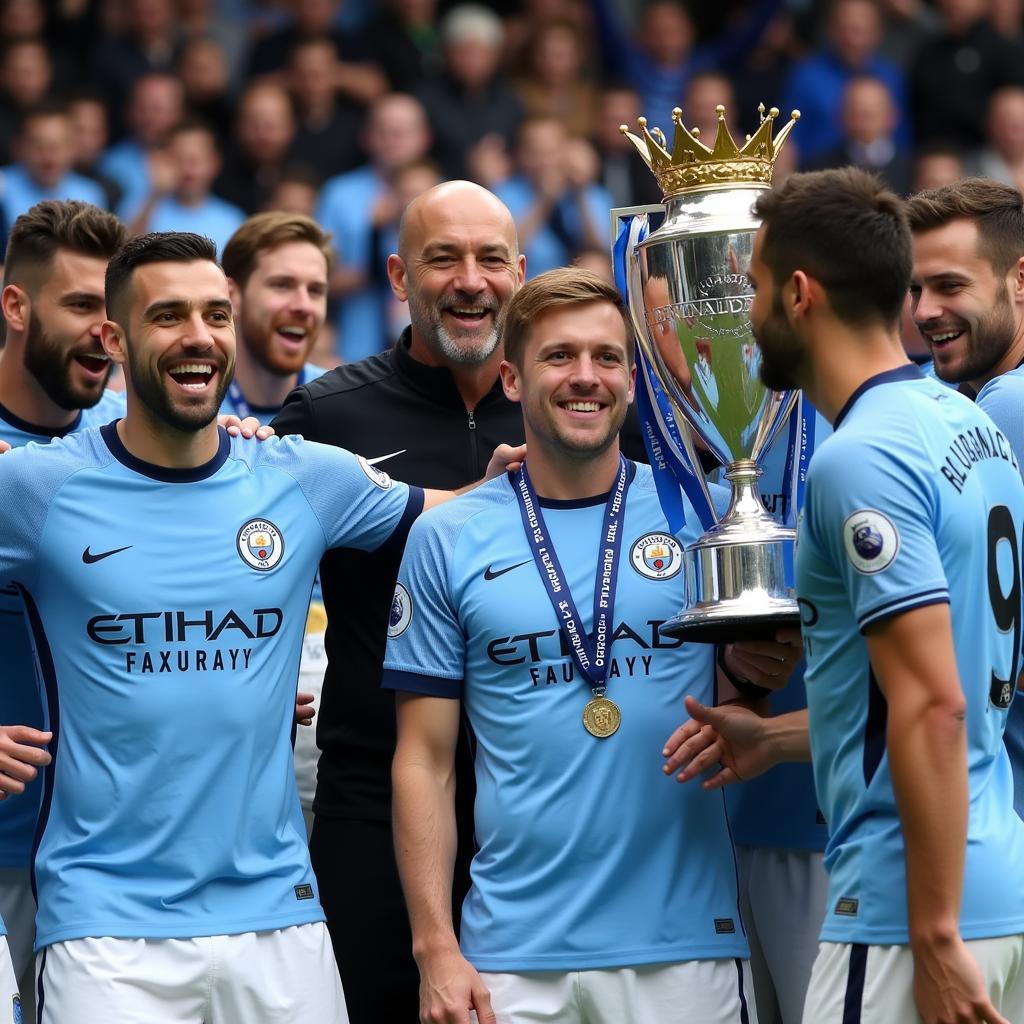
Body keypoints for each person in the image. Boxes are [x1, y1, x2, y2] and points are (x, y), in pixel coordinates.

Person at [0, 228, 511, 1022]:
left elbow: (466, 515)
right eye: (167, 316)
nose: (197, 336)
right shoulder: (37, 489)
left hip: (282, 914)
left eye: (213, 314)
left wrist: (537, 459)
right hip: (106, 929)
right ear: (115, 337)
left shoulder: (300, 476)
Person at [384, 266, 800, 1023]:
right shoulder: (445, 538)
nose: (587, 377)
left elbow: (741, 704)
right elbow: (425, 760)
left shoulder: (709, 517)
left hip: (687, 948)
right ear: (511, 378)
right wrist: (435, 947)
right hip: (509, 957)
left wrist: (752, 673)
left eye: (607, 358)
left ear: (634, 380)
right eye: (559, 357)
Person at [666, 167, 1024, 1023]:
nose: (747, 318)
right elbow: (935, 690)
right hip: (995, 878)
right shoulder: (965, 419)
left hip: (907, 908)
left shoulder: (857, 458)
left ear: (798, 294)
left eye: (751, 288)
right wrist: (777, 737)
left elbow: (933, 705)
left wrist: (931, 933)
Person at [272, 179, 530, 1024]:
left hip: (533, 801)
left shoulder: (577, 403)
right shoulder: (326, 414)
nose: (469, 280)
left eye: (491, 258)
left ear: (520, 272)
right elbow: (251, 560)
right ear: (396, 275)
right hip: (372, 799)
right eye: (442, 258)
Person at [905, 177, 1024, 819]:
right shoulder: (951, 389)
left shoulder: (1005, 406)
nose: (924, 311)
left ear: (1020, 280)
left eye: (950, 286)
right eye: (916, 289)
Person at [219, 211, 330, 424]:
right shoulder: (184, 410)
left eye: (315, 290)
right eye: (282, 285)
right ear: (231, 296)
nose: (304, 306)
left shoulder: (342, 406)